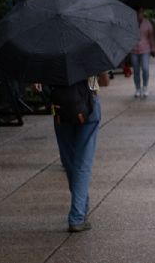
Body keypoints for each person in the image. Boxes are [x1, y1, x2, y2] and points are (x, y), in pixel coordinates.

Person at [35, 73, 109, 232]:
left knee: (69, 161)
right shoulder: (89, 49)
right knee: (82, 162)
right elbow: (104, 80)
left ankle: (81, 206)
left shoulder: (49, 52)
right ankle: (77, 215)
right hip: (88, 104)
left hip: (61, 106)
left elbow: (41, 85)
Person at [130, 8, 155, 98]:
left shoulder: (147, 23)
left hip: (145, 49)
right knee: (136, 71)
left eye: (141, 13)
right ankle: (138, 88)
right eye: (138, 13)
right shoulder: (131, 23)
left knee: (145, 69)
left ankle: (145, 87)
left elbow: (151, 37)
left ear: (143, 13)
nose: (139, 15)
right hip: (134, 49)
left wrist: (153, 48)